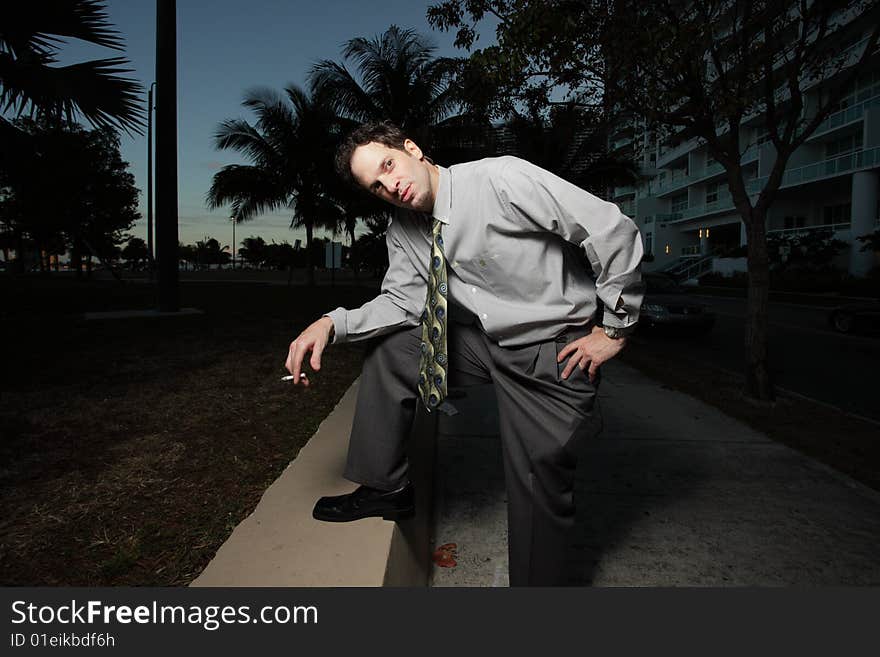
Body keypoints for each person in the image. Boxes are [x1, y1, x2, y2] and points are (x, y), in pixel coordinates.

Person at [284, 121, 644, 586]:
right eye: (376, 185)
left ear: (412, 149)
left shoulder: (500, 180)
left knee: (537, 488)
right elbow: (402, 302)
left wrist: (615, 328)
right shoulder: (404, 229)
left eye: (389, 165)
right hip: (487, 344)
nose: (390, 185)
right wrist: (331, 324)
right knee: (395, 346)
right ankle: (387, 486)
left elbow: (610, 228)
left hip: (553, 352)